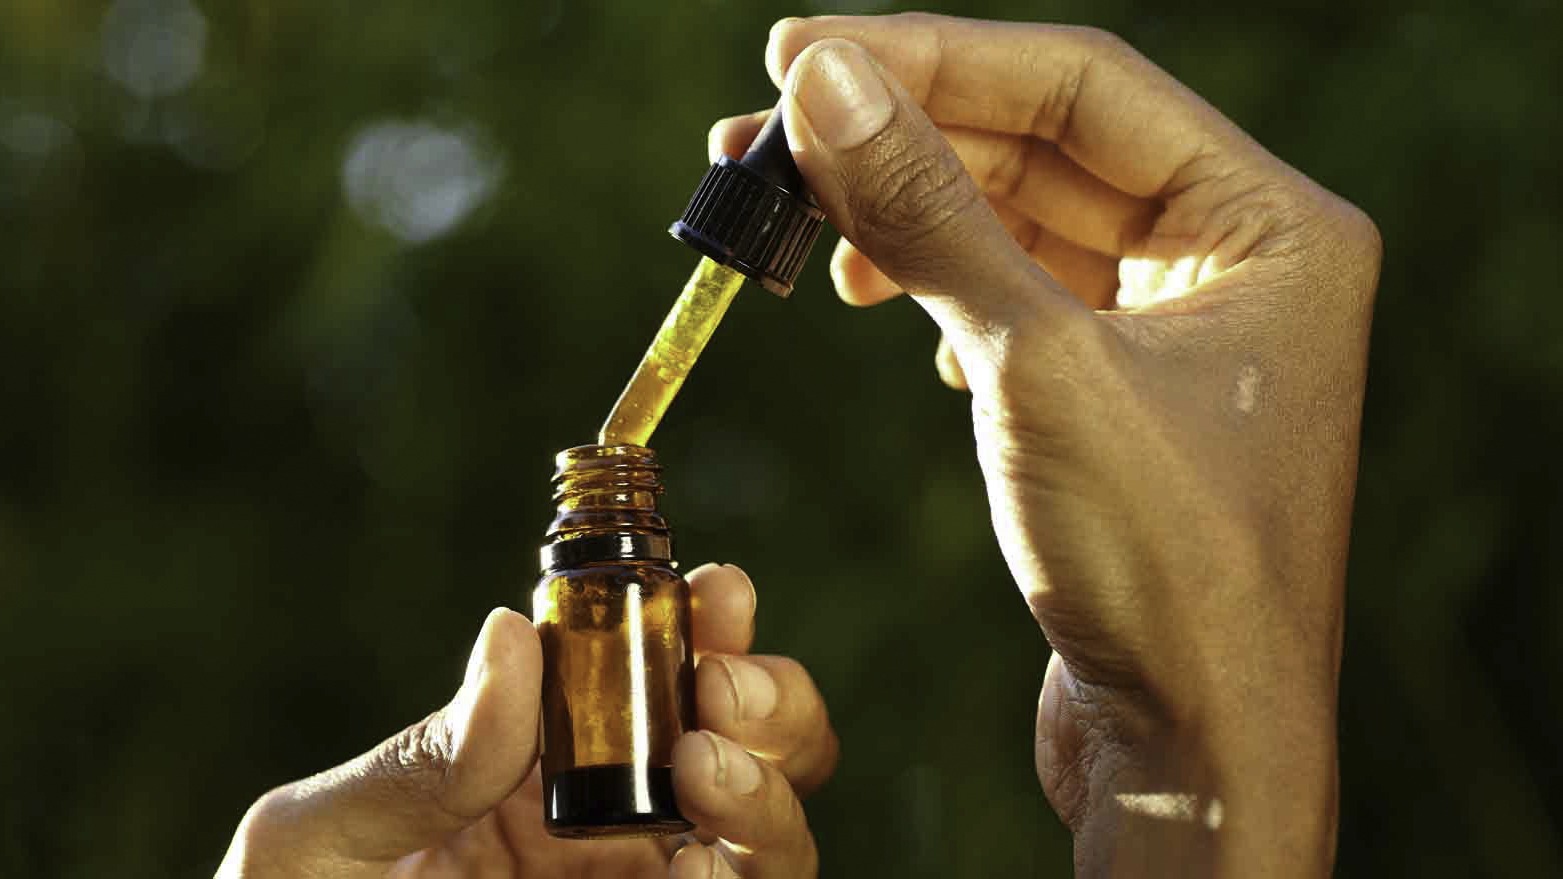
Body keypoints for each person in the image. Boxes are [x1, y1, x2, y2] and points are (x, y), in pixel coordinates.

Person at [217, 12, 1379, 878]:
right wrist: (1214, 759)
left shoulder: (616, 586)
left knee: (728, 753)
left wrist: (1190, 756)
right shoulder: (604, 587)